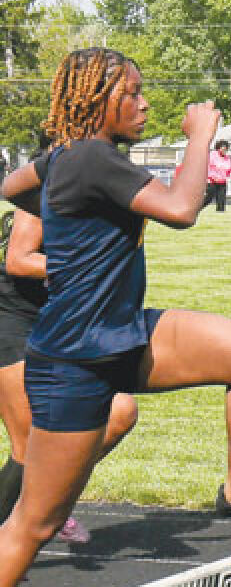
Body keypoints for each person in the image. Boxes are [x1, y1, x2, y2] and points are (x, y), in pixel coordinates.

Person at [0, 47, 231, 587]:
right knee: (32, 526)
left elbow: (10, 186)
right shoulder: (94, 159)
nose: (145, 104)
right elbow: (180, 208)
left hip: (126, 334)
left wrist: (66, 212)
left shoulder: (69, 157)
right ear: (99, 101)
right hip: (76, 358)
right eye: (133, 94)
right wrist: (200, 136)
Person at [0, 209, 139, 543]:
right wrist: (86, 268)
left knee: (120, 413)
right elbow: (18, 261)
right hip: (11, 317)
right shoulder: (43, 189)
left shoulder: (106, 188)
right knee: (30, 444)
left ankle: (47, 500)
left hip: (61, 325)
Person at [204, 139, 231, 212]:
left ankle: (220, 212)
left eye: (226, 149)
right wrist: (212, 177)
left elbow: (229, 169)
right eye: (223, 148)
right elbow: (208, 167)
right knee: (208, 198)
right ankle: (196, 209)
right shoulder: (212, 155)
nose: (224, 150)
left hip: (222, 182)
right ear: (218, 148)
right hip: (212, 181)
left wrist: (230, 174)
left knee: (221, 200)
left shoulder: (227, 159)